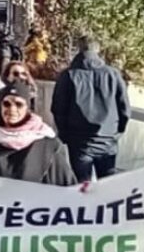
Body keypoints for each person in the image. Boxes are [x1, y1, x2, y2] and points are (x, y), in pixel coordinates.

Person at [0, 81, 76, 185]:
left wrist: (84, 194)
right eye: (7, 104)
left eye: (19, 104)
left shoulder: (47, 145)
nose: (12, 109)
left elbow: (67, 185)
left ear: (27, 108)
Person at [51, 37, 130, 180]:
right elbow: (124, 107)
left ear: (79, 49)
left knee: (83, 188)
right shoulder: (113, 74)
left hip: (79, 140)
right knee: (108, 186)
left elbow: (58, 108)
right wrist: (117, 132)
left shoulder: (68, 75)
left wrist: (64, 135)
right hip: (108, 139)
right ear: (98, 50)